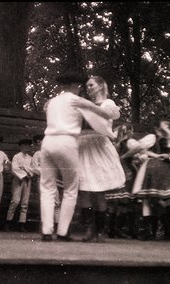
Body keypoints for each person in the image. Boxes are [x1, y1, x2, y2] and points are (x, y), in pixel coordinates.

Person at [39, 70, 108, 242]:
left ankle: (47, 231)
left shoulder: (52, 102)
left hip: (47, 142)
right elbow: (103, 114)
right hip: (67, 142)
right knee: (70, 189)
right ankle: (62, 232)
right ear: (74, 85)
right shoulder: (77, 100)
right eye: (79, 85)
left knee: (47, 187)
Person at [72, 75, 126, 242]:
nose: (88, 88)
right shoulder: (83, 105)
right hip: (82, 146)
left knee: (99, 191)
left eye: (92, 85)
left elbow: (111, 114)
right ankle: (90, 230)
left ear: (101, 86)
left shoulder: (107, 103)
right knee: (85, 190)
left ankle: (101, 231)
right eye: (87, 86)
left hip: (99, 146)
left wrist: (86, 105)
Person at [30, 134, 61, 232]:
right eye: (38, 142)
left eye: (42, 140)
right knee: (45, 202)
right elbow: (34, 168)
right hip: (43, 180)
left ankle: (57, 226)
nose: (40, 143)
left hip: (53, 180)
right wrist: (46, 172)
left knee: (56, 202)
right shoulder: (37, 154)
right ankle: (44, 227)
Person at [5, 139, 34, 232]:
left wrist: (27, 171)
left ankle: (22, 224)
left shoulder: (30, 158)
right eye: (24, 145)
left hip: (27, 181)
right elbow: (14, 169)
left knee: (25, 203)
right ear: (20, 146)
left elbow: (32, 169)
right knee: (15, 201)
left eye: (28, 145)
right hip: (18, 181)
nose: (26, 147)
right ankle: (8, 223)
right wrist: (25, 172)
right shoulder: (16, 157)